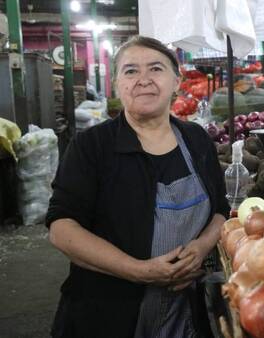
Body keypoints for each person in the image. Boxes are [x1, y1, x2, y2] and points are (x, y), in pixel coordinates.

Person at [46, 35, 229, 338]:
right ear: (117, 84)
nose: (143, 80)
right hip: (105, 315)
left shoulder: (196, 140)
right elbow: (62, 229)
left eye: (156, 69)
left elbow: (220, 210)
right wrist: (139, 271)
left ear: (176, 81)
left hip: (184, 312)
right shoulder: (91, 146)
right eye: (131, 71)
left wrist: (201, 250)